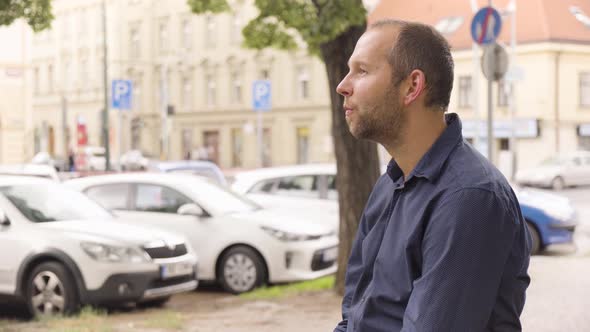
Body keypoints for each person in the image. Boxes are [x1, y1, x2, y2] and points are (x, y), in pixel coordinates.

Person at [333, 20, 531, 332]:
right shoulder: (389, 185)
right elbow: (355, 318)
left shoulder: (469, 197)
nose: (343, 85)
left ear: (412, 86)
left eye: (362, 71)